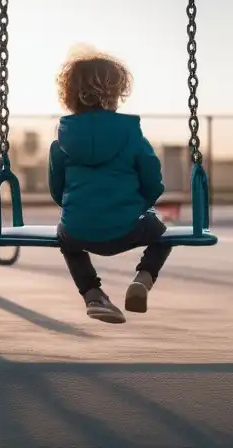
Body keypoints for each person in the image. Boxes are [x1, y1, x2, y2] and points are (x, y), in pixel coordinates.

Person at [48, 46, 171, 324]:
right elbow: (153, 181)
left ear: (69, 98)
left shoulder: (60, 144)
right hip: (128, 226)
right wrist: (141, 204)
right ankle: (144, 278)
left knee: (66, 239)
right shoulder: (132, 136)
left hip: (78, 229)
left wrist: (80, 210)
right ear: (116, 96)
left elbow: (57, 192)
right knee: (163, 235)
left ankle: (92, 294)